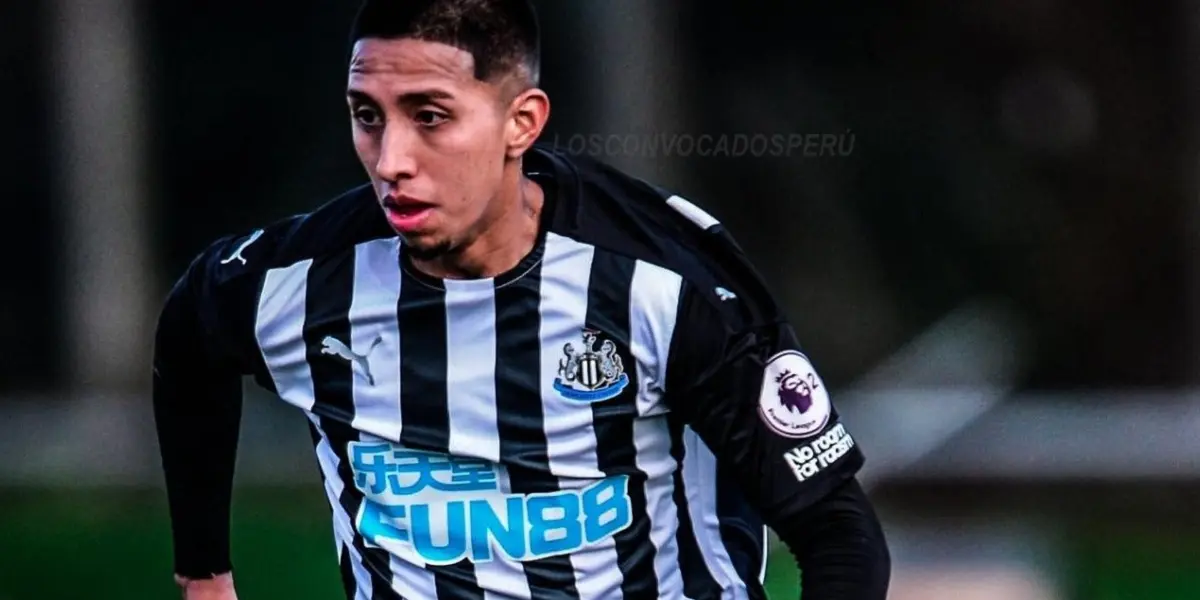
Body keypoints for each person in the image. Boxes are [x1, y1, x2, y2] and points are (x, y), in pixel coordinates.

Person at [152, 1, 891, 598]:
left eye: (429, 116)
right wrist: (204, 573)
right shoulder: (297, 285)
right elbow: (189, 339)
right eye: (368, 115)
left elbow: (840, 534)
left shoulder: (665, 283)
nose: (391, 160)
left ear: (522, 122)